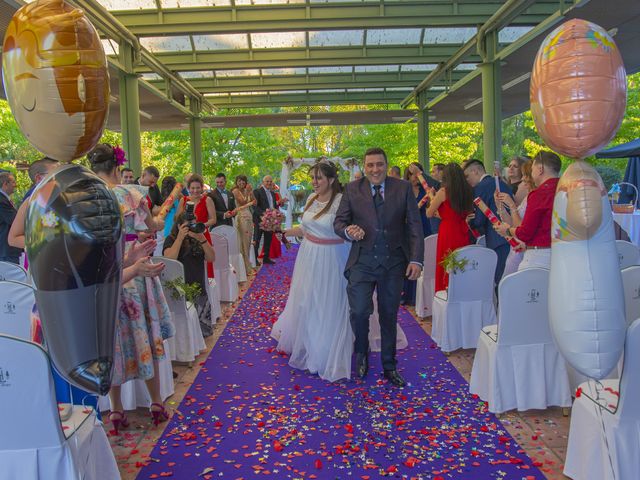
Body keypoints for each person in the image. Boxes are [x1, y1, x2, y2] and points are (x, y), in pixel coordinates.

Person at [88, 144, 172, 433]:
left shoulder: (88, 198)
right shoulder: (132, 194)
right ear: (117, 168)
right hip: (135, 268)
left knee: (111, 338)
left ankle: (116, 409)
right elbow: (155, 226)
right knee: (143, 332)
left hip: (104, 271)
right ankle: (157, 401)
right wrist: (164, 215)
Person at [334, 147, 423, 387]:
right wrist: (348, 231)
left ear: (386, 164)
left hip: (393, 263)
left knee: (388, 315)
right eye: (370, 165)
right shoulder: (352, 190)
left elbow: (414, 225)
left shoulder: (402, 188)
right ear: (365, 167)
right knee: (360, 311)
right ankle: (361, 352)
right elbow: (339, 222)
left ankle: (389, 365)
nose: (375, 169)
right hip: (362, 262)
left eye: (379, 164)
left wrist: (416, 259)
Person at [494, 150, 561, 270]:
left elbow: (525, 232)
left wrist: (507, 230)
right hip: (559, 255)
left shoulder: (539, 194)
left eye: (533, 168)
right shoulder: (564, 190)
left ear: (540, 169)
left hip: (538, 258)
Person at [163, 212, 215, 336]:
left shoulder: (197, 238)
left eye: (193, 224)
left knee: (204, 333)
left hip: (199, 290)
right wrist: (180, 238)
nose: (191, 228)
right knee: (185, 334)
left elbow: (211, 258)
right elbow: (169, 259)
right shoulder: (171, 239)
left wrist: (202, 239)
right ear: (179, 226)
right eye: (187, 226)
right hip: (180, 290)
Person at [464, 159, 513, 286]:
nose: (467, 181)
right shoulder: (502, 184)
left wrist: (471, 222)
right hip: (511, 235)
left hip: (496, 238)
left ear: (475, 171)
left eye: (467, 176)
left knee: (499, 280)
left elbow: (479, 220)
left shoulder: (481, 187)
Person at [427, 163, 474, 293]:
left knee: (446, 261)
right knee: (461, 262)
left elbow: (429, 213)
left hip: (448, 231)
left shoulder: (443, 192)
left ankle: (445, 292)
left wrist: (431, 196)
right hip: (462, 230)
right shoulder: (468, 190)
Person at [401, 162, 433, 305]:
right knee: (407, 258)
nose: (414, 177)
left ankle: (418, 296)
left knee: (422, 258)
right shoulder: (403, 190)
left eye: (416, 174)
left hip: (424, 225)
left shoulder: (425, 190)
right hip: (407, 227)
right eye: (411, 174)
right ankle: (405, 294)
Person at [176, 174, 217, 289]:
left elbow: (213, 219)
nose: (195, 190)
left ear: (202, 188)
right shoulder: (183, 200)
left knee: (207, 264)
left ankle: (207, 292)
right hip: (186, 236)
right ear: (188, 188)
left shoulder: (207, 200)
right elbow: (176, 218)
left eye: (198, 188)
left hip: (202, 235)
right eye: (192, 188)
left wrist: (201, 226)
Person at [498, 160, 534, 277]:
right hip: (516, 248)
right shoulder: (527, 197)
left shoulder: (533, 199)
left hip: (523, 249)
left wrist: (512, 205)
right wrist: (502, 207)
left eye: (525, 175)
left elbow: (520, 227)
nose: (523, 179)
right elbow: (513, 223)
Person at [231, 175, 256, 275]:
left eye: (243, 181)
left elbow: (255, 202)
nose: (241, 183)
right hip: (241, 218)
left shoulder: (247, 190)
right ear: (236, 182)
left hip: (248, 216)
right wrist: (248, 192)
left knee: (248, 241)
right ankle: (246, 268)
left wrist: (251, 192)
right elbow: (242, 202)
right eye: (239, 181)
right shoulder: (235, 191)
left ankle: (247, 265)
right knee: (244, 243)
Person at [253, 175, 278, 265]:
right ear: (263, 182)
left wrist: (275, 214)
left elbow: (274, 206)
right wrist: (264, 214)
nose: (269, 183)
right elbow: (255, 207)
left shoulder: (272, 193)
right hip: (260, 220)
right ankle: (255, 260)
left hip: (270, 220)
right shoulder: (257, 192)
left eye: (270, 181)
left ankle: (266, 258)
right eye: (267, 181)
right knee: (257, 239)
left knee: (268, 239)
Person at [0, 172, 21, 264]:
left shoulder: (4, 199)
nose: (15, 185)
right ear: (5, 184)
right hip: (7, 249)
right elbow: (14, 221)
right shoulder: (1, 201)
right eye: (13, 182)